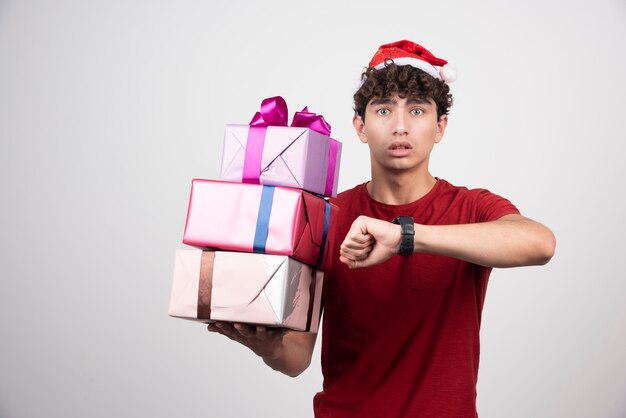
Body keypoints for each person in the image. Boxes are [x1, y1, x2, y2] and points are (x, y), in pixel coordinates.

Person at [208, 40, 556, 417]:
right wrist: (268, 347)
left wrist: (407, 237)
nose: (400, 126)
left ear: (440, 126)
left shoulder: (469, 207)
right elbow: (297, 356)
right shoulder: (326, 215)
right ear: (360, 125)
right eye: (384, 109)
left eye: (418, 110)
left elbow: (539, 243)